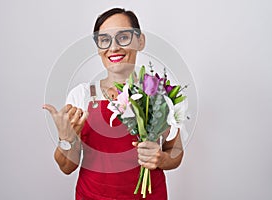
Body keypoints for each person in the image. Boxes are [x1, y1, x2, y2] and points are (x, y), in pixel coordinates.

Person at [43, 8, 184, 200]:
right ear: (98, 47)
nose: (114, 47)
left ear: (140, 41)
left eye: (123, 37)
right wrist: (67, 139)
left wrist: (162, 159)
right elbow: (67, 167)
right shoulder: (82, 95)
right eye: (104, 40)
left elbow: (175, 152)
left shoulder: (158, 93)